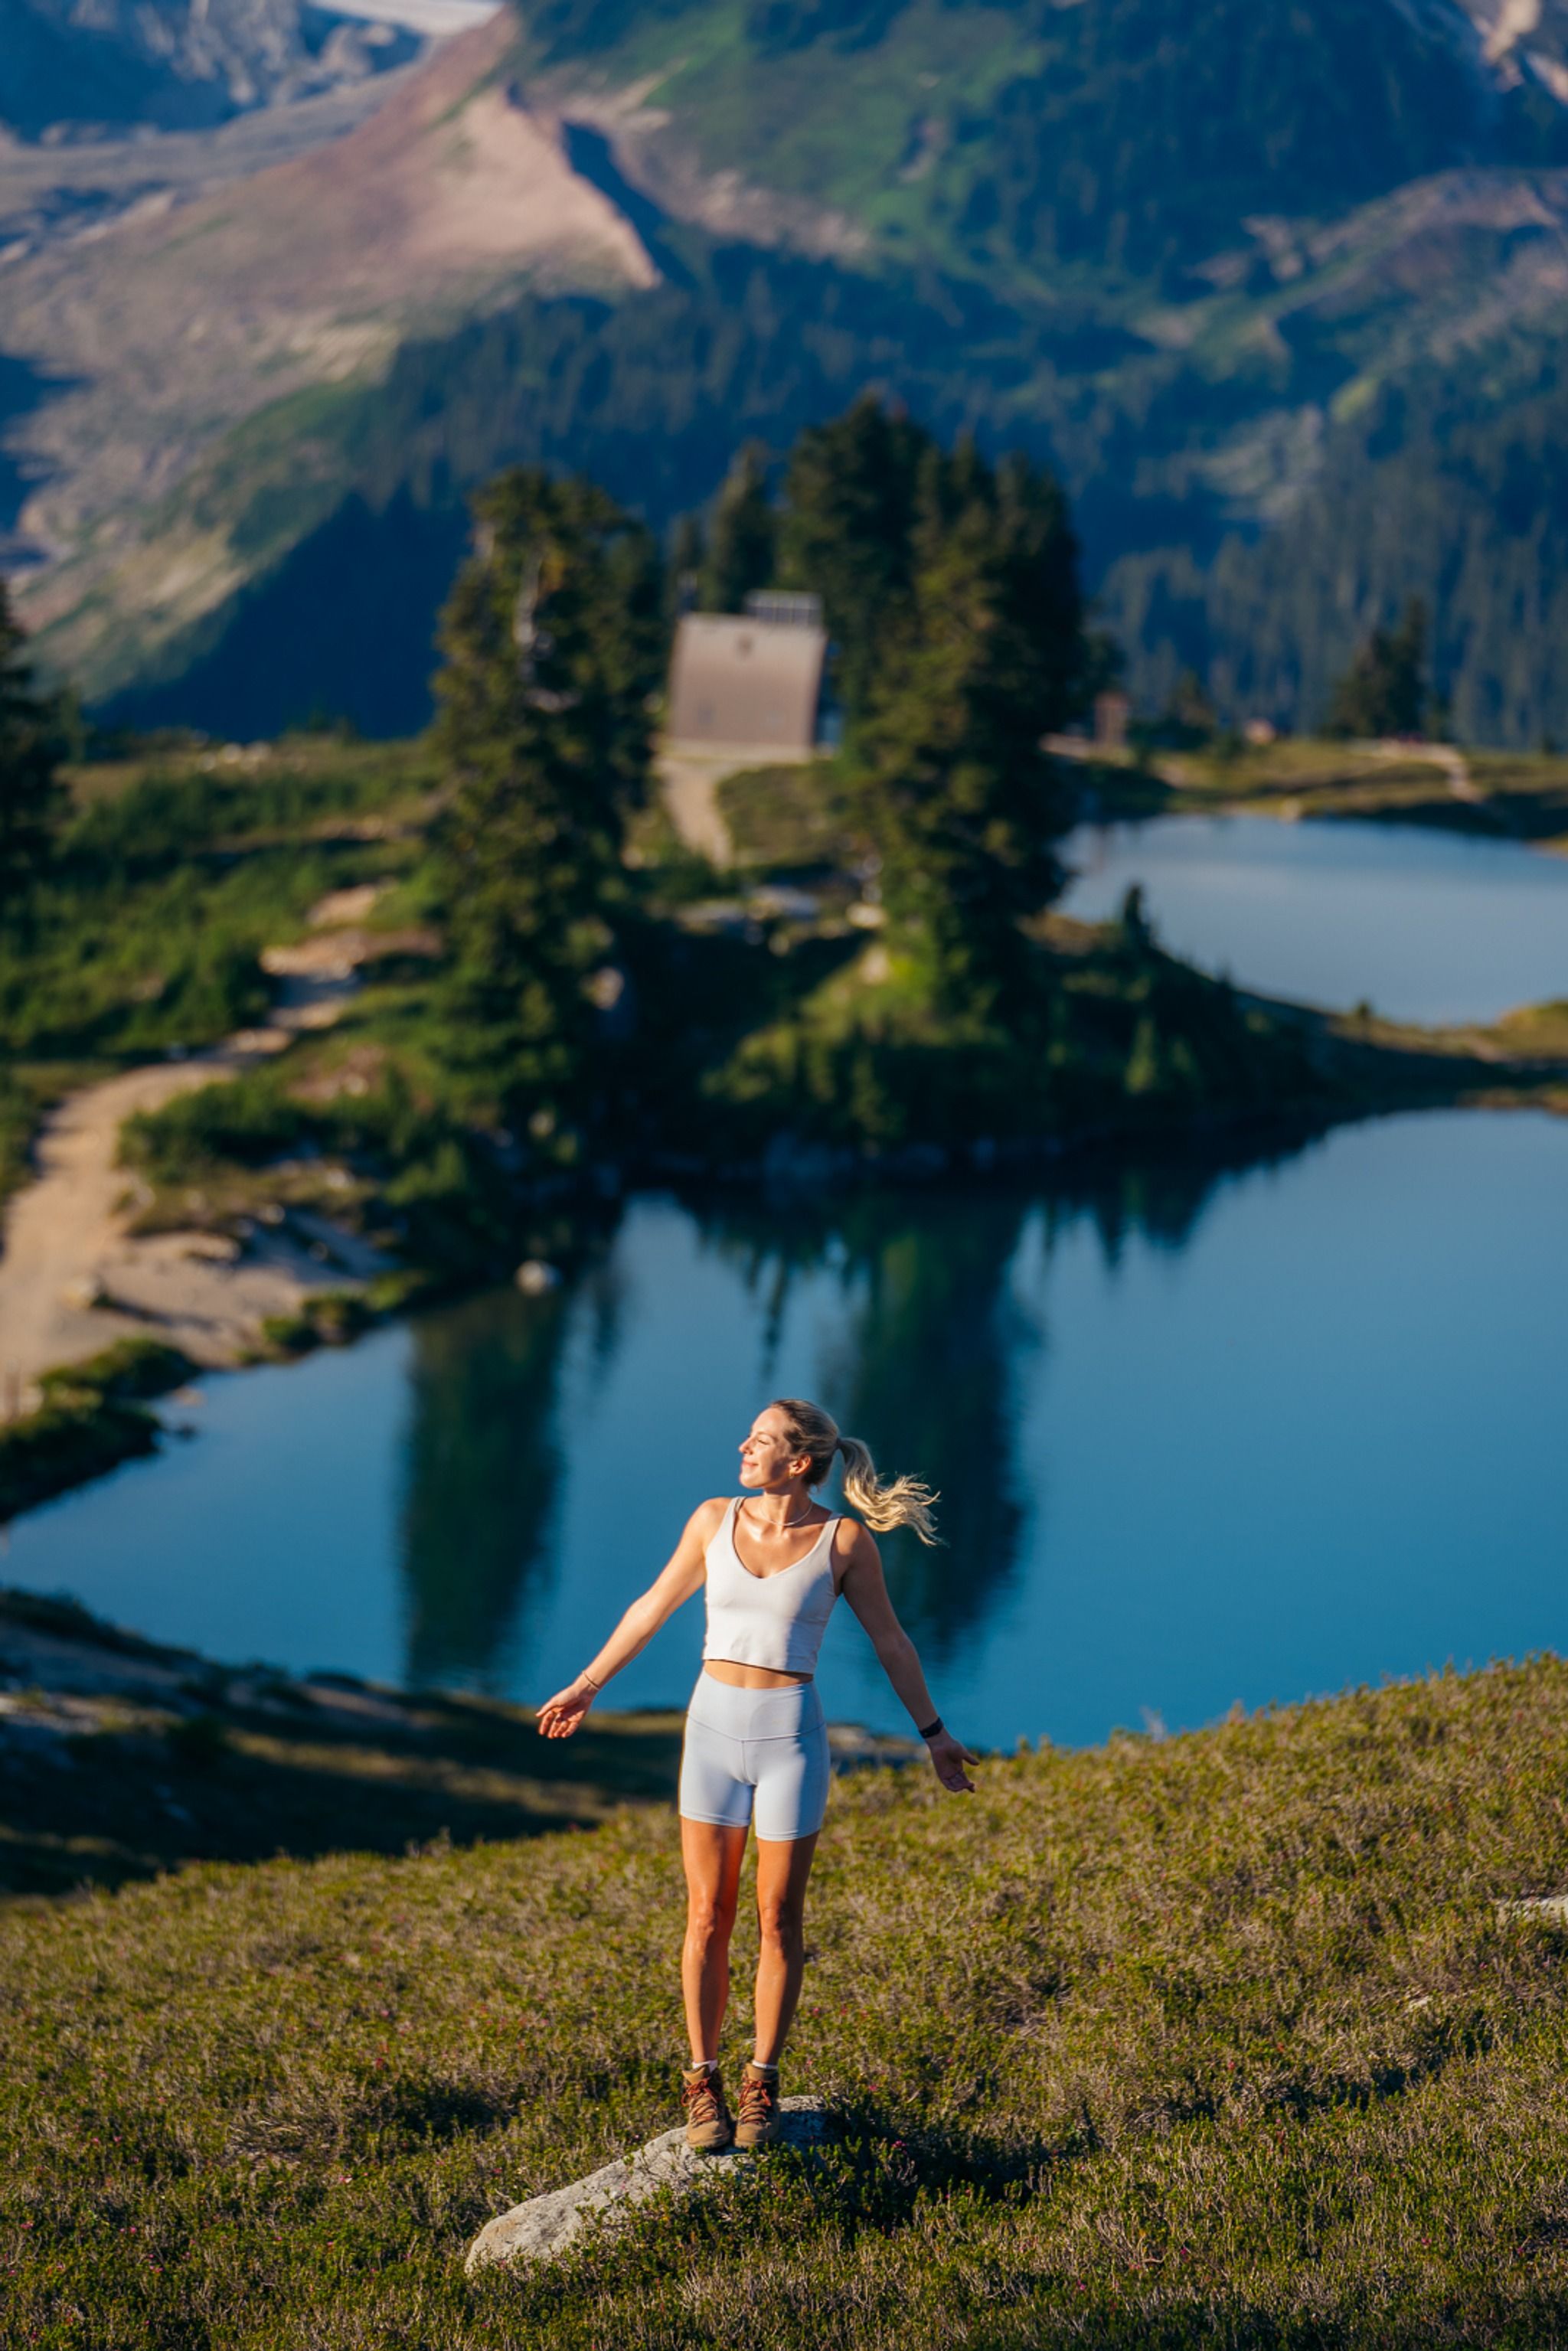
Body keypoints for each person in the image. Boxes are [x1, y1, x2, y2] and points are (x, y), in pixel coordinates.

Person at [537, 1397, 977, 2155]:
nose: (743, 1445)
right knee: (707, 1914)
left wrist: (932, 1735)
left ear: (798, 1461)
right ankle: (700, 2080)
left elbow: (892, 1642)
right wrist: (587, 1682)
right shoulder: (713, 1518)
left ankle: (759, 2081)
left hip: (789, 1740)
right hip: (709, 1732)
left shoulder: (843, 1541)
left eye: (762, 1439)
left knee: (778, 1919)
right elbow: (649, 1607)